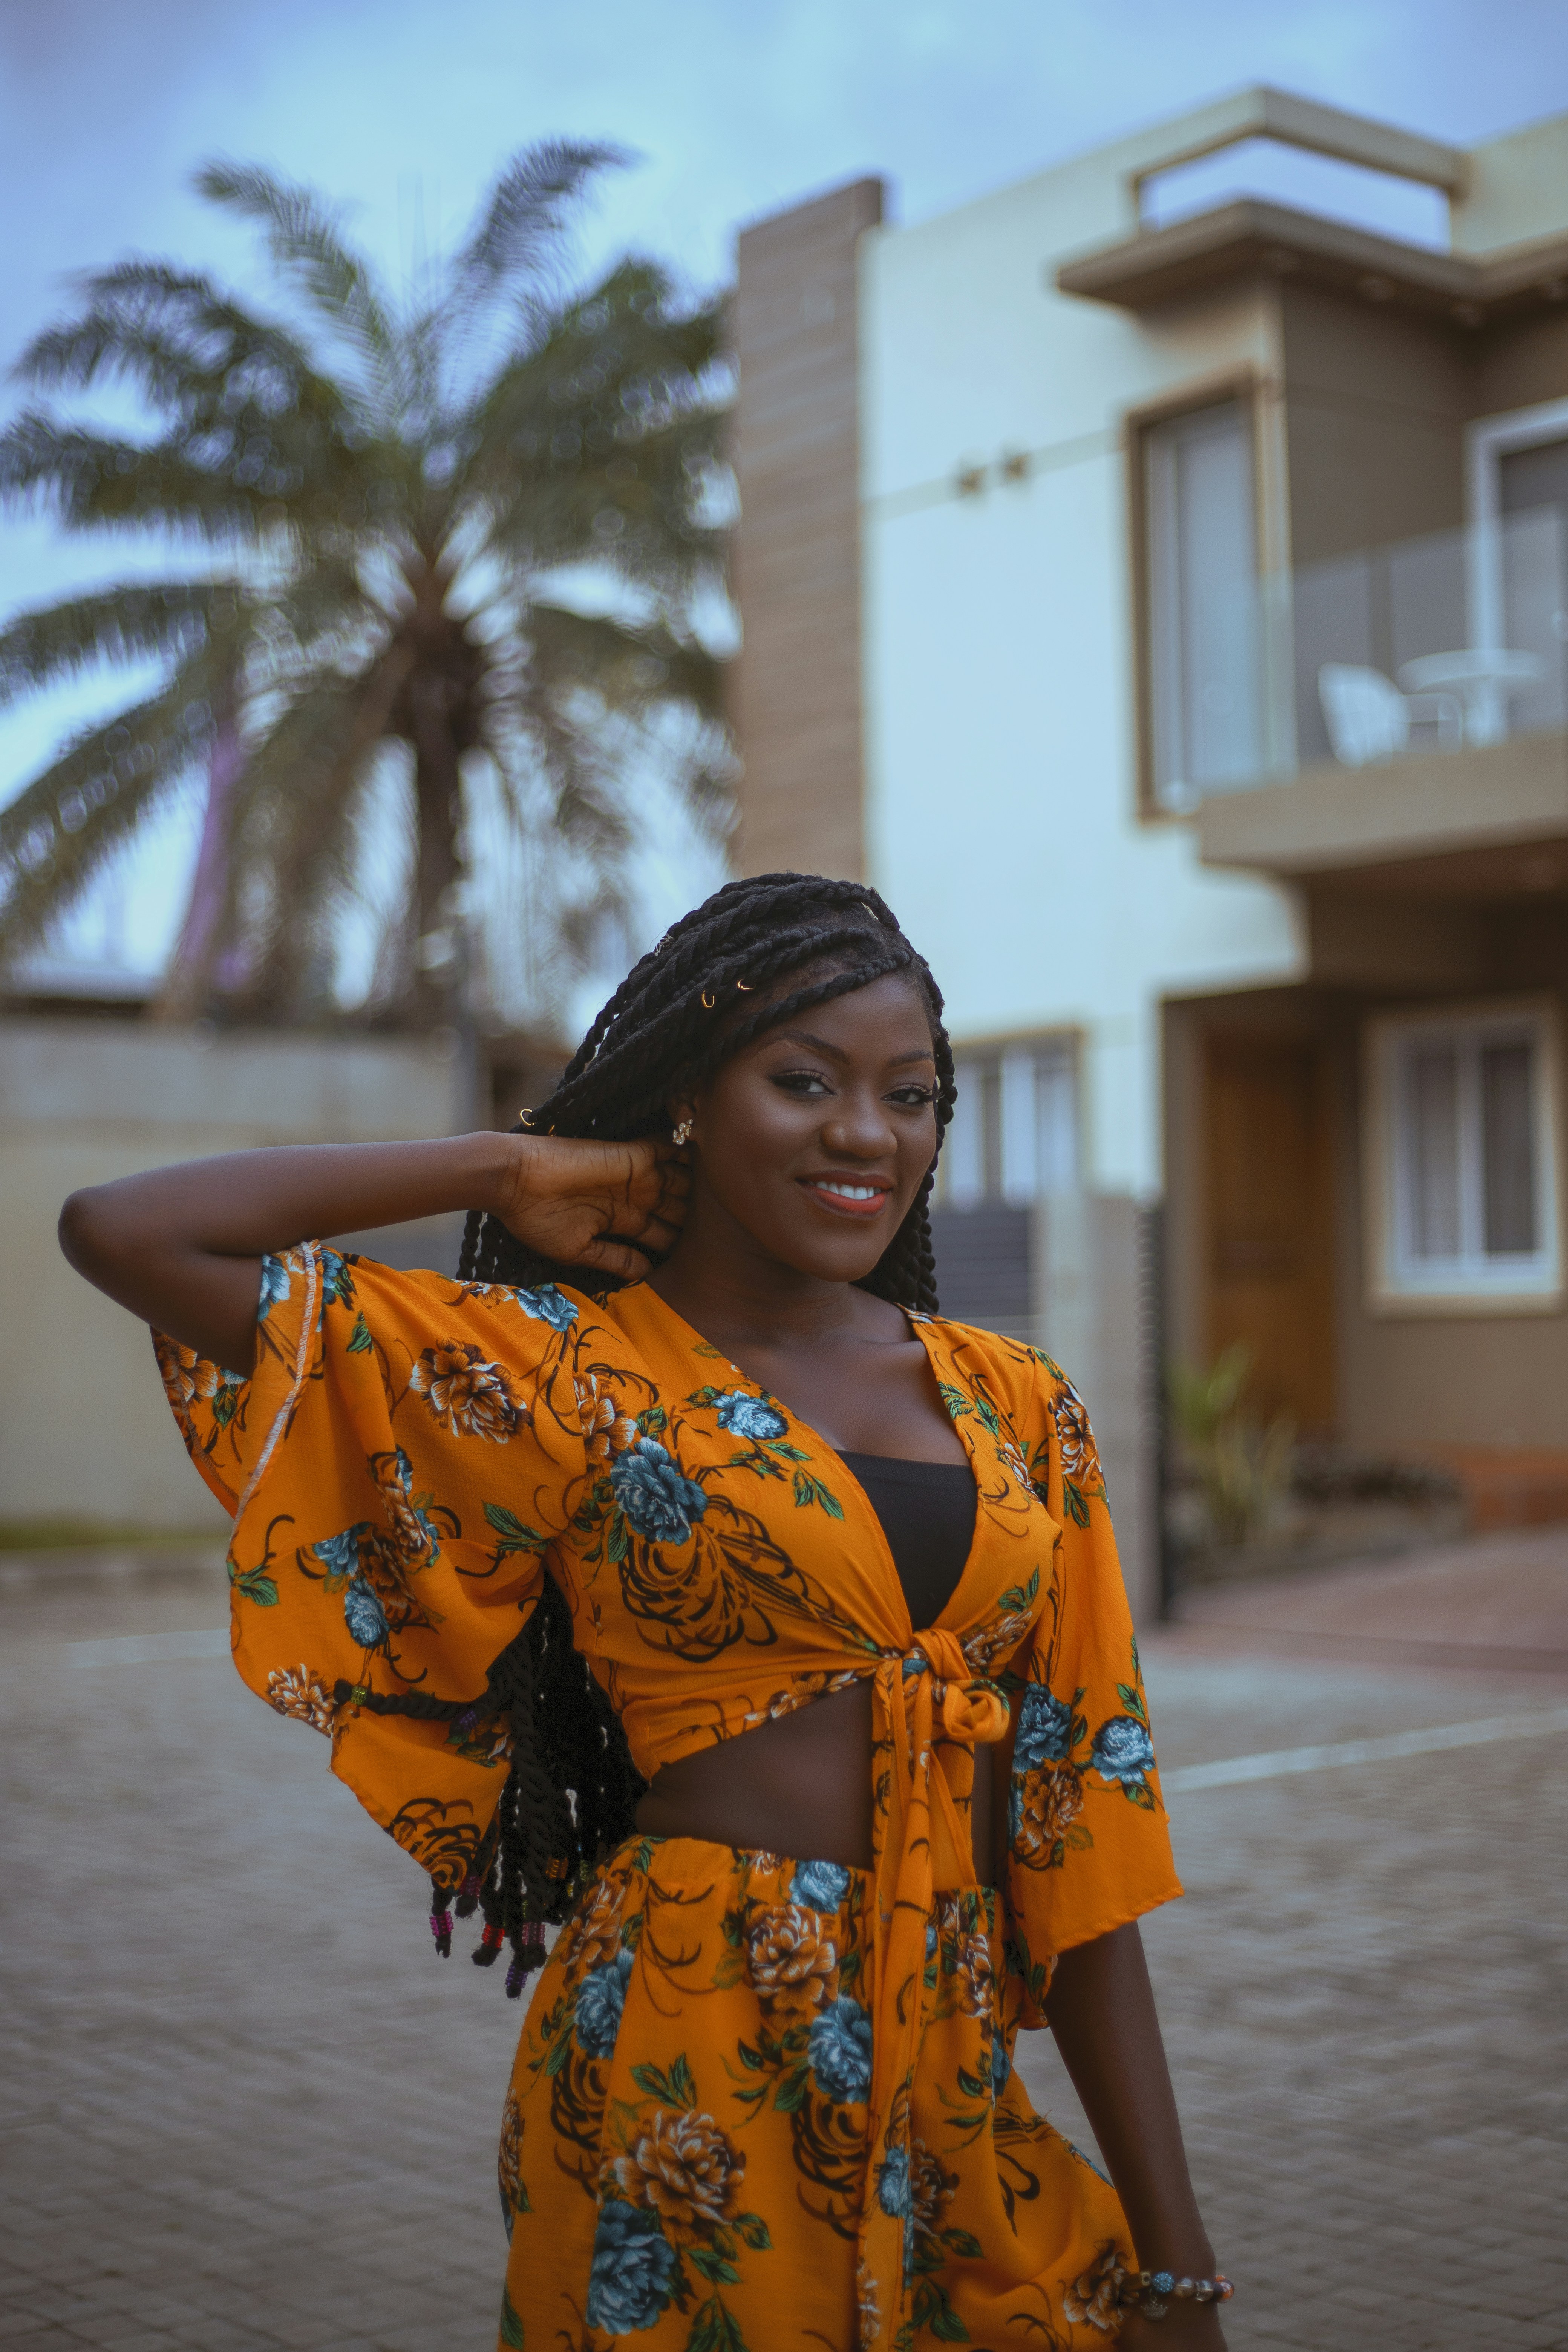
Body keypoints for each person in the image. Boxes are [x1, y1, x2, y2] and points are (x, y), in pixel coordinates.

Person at [60, 873, 1230, 2351]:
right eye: (802, 1082)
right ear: (687, 1096)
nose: (866, 1133)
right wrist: (504, 1166)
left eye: (910, 1095)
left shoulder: (1018, 1404)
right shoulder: (564, 1370)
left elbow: (1081, 1839)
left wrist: (1178, 2261)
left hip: (943, 2060)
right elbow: (130, 1233)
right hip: (685, 2043)